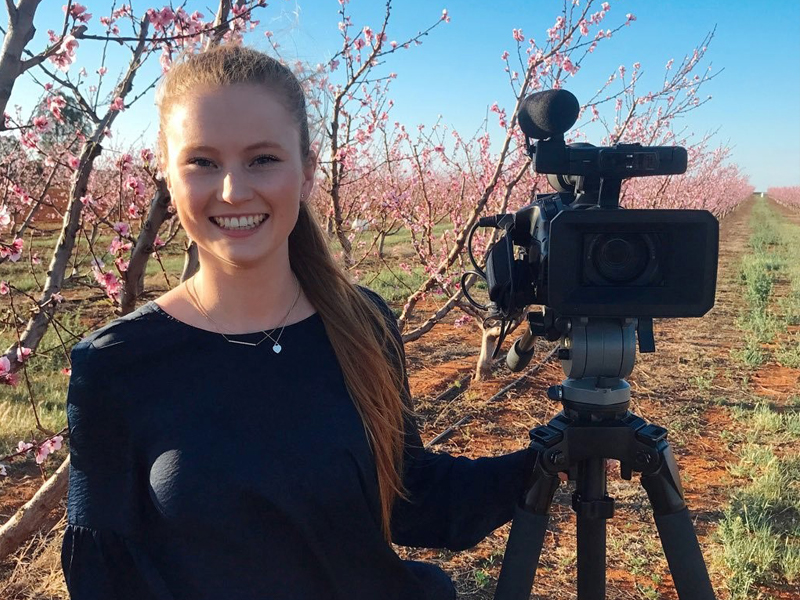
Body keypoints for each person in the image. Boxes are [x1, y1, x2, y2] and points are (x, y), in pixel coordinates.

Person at [61, 43, 536, 600]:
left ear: (308, 172)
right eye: (202, 162)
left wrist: (548, 461)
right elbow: (107, 578)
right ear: (166, 173)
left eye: (262, 159)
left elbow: (409, 496)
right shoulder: (115, 365)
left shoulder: (362, 323)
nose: (234, 190)